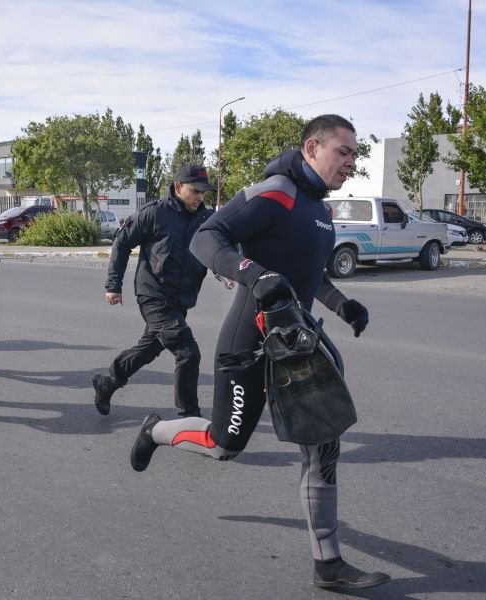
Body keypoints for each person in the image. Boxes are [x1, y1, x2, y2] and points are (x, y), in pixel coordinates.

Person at [129, 115, 390, 590]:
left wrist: (342, 305)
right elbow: (206, 237)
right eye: (343, 151)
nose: (351, 162)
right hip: (247, 344)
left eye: (354, 154)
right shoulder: (275, 192)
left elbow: (307, 273)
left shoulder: (318, 209)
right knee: (224, 445)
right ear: (312, 148)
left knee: (323, 445)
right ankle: (157, 430)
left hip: (295, 344)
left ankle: (328, 564)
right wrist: (253, 273)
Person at [91, 163, 220, 418]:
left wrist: (223, 268)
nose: (200, 197)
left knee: (150, 348)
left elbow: (216, 248)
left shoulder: (205, 219)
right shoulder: (154, 213)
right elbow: (122, 243)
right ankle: (189, 415)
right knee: (188, 352)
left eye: (203, 192)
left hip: (181, 298)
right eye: (195, 191)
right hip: (154, 295)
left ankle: (109, 382)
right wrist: (113, 285)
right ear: (178, 186)